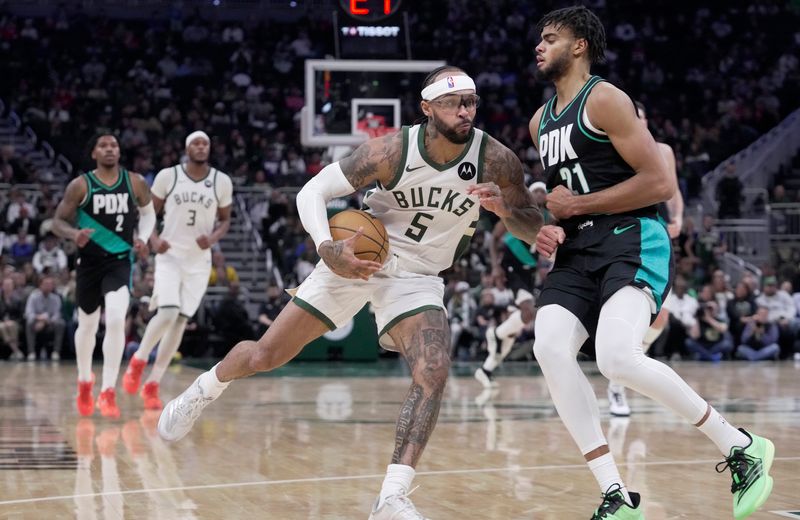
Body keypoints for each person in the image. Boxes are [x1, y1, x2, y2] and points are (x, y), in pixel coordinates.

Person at [157, 66, 542, 519]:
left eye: (471, 102)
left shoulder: (496, 160)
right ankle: (203, 389)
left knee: (434, 368)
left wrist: (504, 210)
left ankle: (392, 496)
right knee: (265, 356)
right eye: (453, 103)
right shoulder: (392, 150)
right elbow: (313, 191)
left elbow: (530, 226)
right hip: (357, 257)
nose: (465, 110)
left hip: (417, 275)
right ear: (426, 108)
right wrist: (326, 247)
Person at [528, 7, 773, 519]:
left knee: (615, 356)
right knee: (549, 345)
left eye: (550, 38)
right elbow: (562, 195)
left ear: (579, 46)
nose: (539, 45)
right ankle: (614, 495)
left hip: (631, 237)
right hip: (577, 251)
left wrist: (577, 206)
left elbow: (659, 184)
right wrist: (543, 222)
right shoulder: (539, 122)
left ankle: (739, 445)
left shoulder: (607, 98)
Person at [122, 131, 233, 410]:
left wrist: (214, 238)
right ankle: (139, 360)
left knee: (181, 321)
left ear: (209, 148)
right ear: (186, 148)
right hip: (170, 255)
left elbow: (225, 220)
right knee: (168, 312)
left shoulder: (221, 181)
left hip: (199, 260)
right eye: (195, 142)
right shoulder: (168, 176)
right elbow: (148, 212)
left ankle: (153, 383)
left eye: (205, 143)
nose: (200, 146)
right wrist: (154, 239)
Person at [53, 133, 155, 418]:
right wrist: (74, 233)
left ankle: (108, 391)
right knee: (86, 326)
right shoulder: (80, 185)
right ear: (94, 153)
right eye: (103, 146)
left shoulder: (134, 181)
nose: (110, 149)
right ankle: (85, 381)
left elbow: (148, 214)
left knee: (115, 318)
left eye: (114, 145)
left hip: (120, 261)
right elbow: (57, 221)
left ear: (119, 151)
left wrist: (143, 238)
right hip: (88, 263)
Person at [607, 100, 684, 417]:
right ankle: (618, 381)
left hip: (656, 236)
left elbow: (673, 190)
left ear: (645, 119)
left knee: (662, 316)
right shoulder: (615, 148)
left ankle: (624, 372)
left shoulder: (663, 150)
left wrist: (679, 217)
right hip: (623, 237)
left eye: (637, 116)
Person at [474, 181, 545, 388]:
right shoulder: (516, 214)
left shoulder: (549, 218)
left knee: (513, 331)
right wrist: (496, 267)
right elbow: (494, 240)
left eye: (543, 191)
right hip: (512, 266)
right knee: (527, 312)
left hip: (529, 270)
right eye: (536, 191)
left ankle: (486, 369)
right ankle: (494, 333)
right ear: (529, 196)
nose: (540, 194)